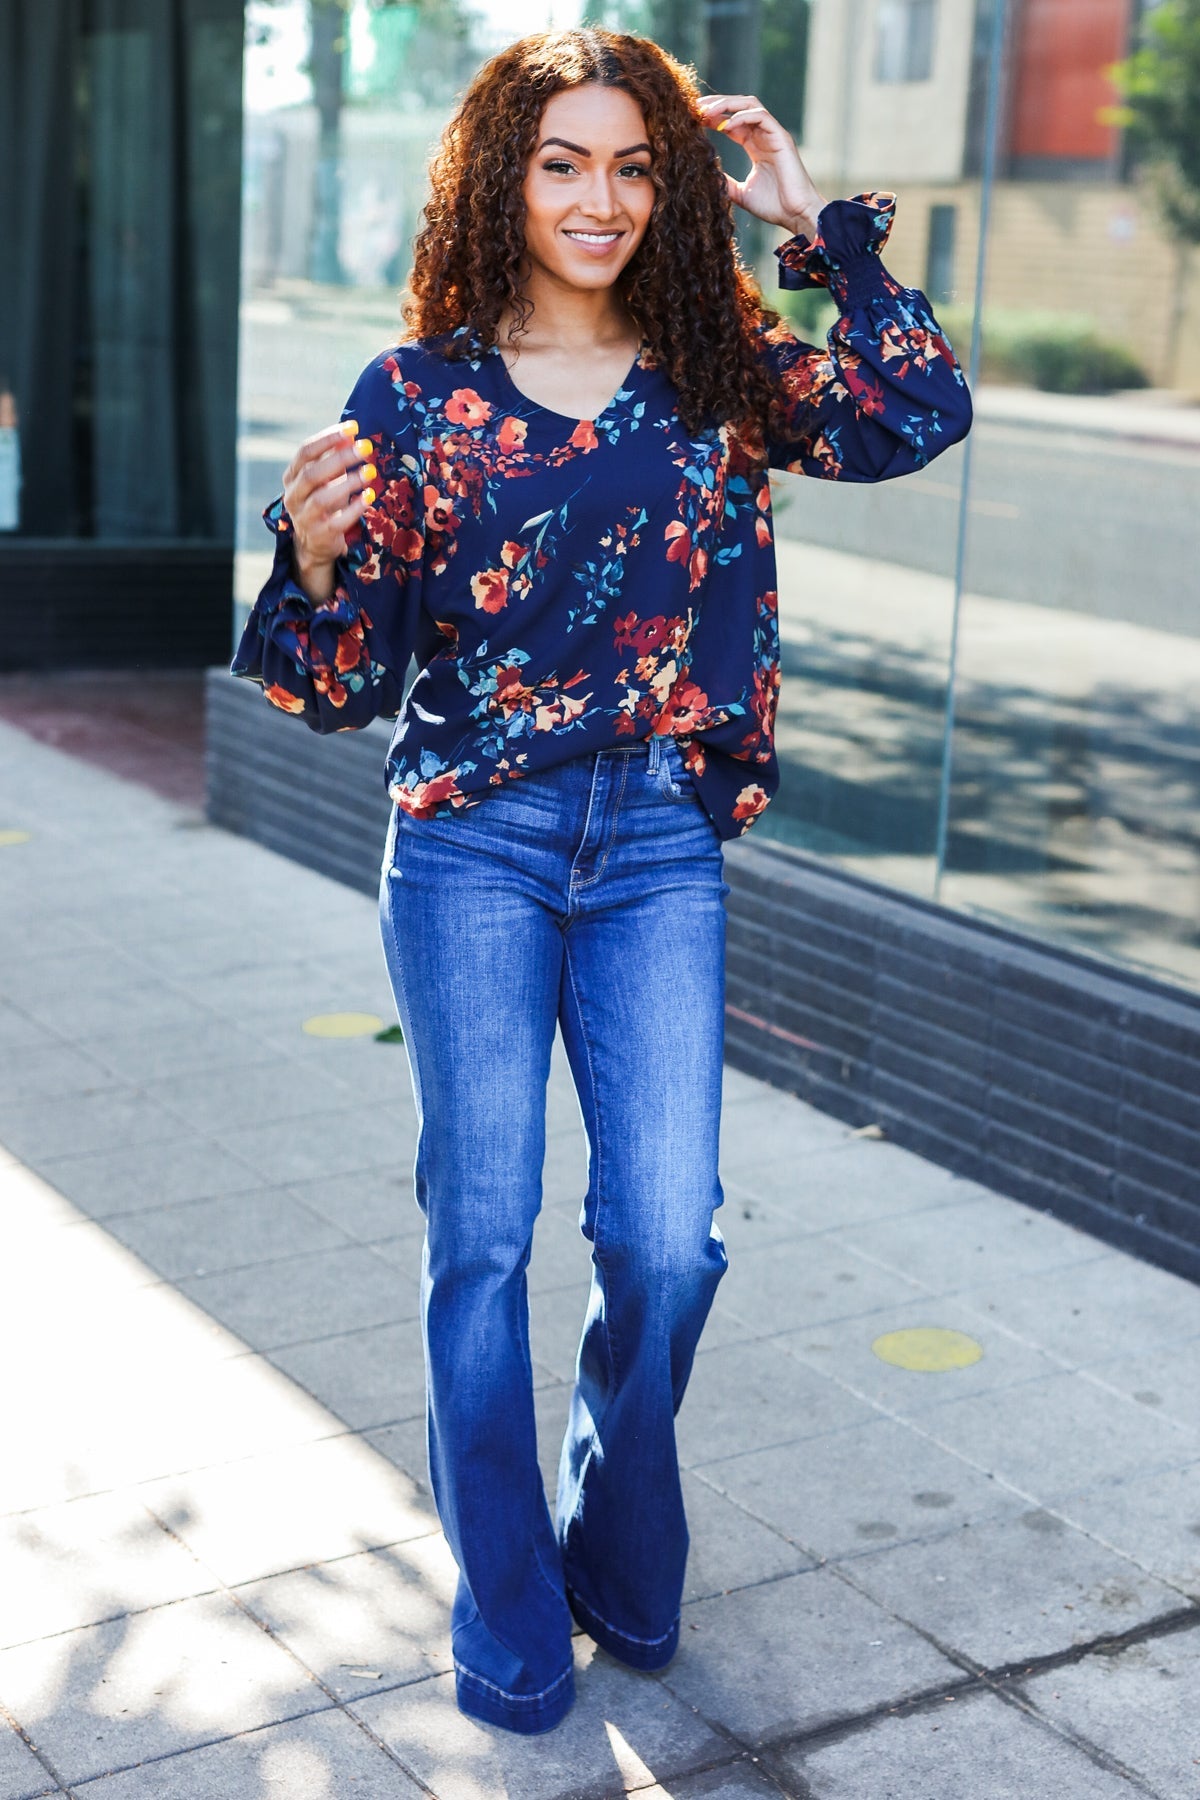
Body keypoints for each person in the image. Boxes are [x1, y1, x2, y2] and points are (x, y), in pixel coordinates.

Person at [233, 28, 972, 1735]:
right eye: (564, 161)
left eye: (634, 165)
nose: (603, 197)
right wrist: (317, 550)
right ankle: (508, 1604)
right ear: (504, 176)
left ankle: (616, 1532)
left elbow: (915, 409)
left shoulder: (718, 367)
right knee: (479, 1243)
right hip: (473, 844)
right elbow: (341, 683)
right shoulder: (413, 394)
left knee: (669, 1242)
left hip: (653, 843)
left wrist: (815, 224)